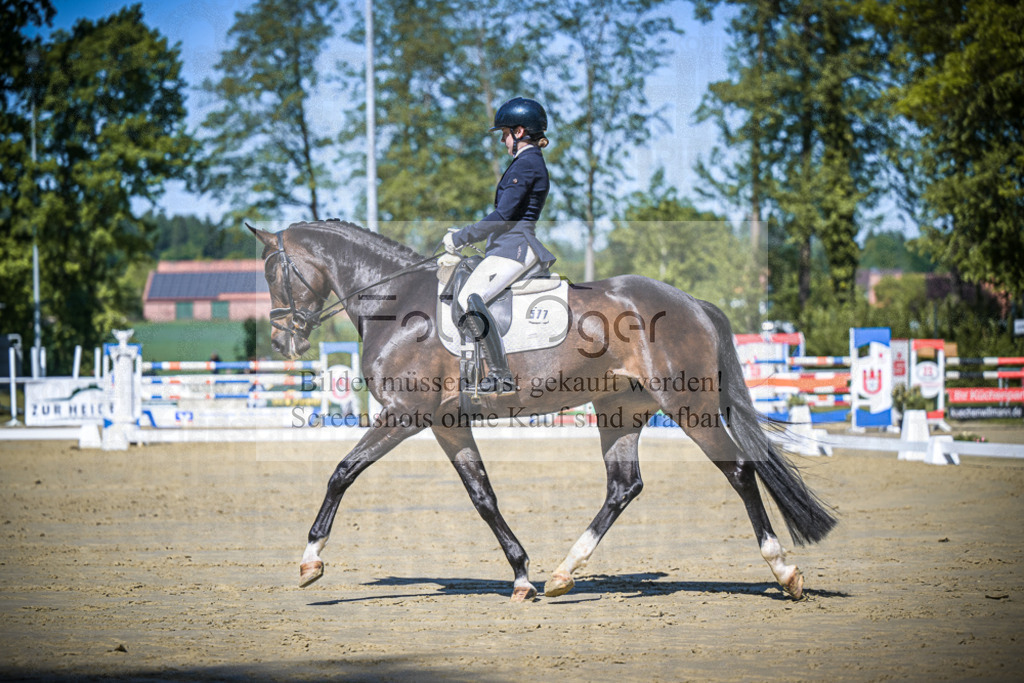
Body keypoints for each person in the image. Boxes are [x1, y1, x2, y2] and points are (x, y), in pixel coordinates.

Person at [442, 97, 557, 394]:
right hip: (506, 245)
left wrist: (461, 237)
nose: (503, 141)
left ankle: (500, 374)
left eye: (505, 134)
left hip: (516, 245)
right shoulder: (525, 163)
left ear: (519, 133)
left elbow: (504, 215)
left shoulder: (527, 164)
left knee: (470, 297)